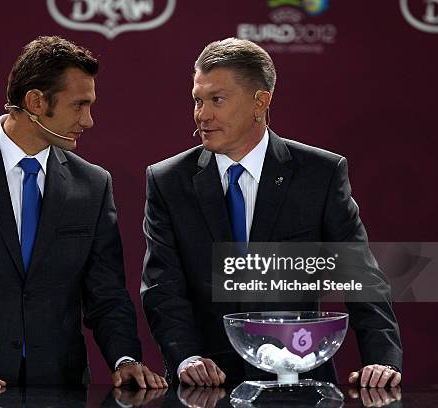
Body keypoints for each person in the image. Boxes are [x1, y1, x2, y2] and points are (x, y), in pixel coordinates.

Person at [0, 35, 166, 391]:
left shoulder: (93, 184)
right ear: (36, 102)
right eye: (79, 105)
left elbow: (108, 295)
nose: (88, 121)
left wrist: (125, 359)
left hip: (61, 388)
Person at [140, 38, 402, 388]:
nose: (203, 114)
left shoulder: (319, 174)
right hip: (206, 385)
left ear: (260, 102)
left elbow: (360, 275)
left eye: (217, 99)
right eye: (198, 100)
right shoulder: (168, 180)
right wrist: (186, 356)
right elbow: (163, 286)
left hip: (300, 376)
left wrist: (380, 359)